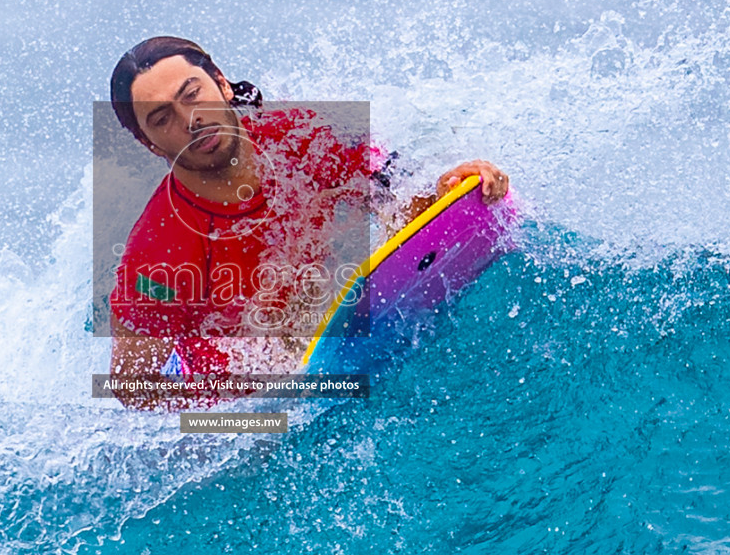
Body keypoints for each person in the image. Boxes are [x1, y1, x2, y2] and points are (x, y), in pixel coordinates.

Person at [106, 36, 508, 407]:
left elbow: (403, 213)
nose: (191, 120)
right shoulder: (158, 249)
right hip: (235, 395)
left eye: (193, 94)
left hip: (321, 335)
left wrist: (446, 190)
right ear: (150, 143)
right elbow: (132, 388)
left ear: (221, 84)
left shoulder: (313, 134)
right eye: (162, 119)